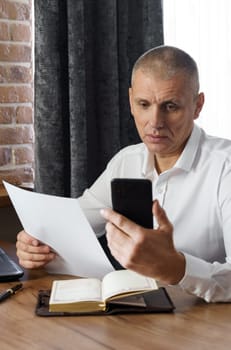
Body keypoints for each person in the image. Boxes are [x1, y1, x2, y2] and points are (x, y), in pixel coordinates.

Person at [16, 45, 231, 303]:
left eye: (171, 106)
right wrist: (36, 241)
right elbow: (72, 223)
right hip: (135, 321)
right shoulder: (126, 161)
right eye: (144, 104)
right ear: (131, 101)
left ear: (198, 106)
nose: (155, 122)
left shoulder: (225, 167)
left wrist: (178, 268)